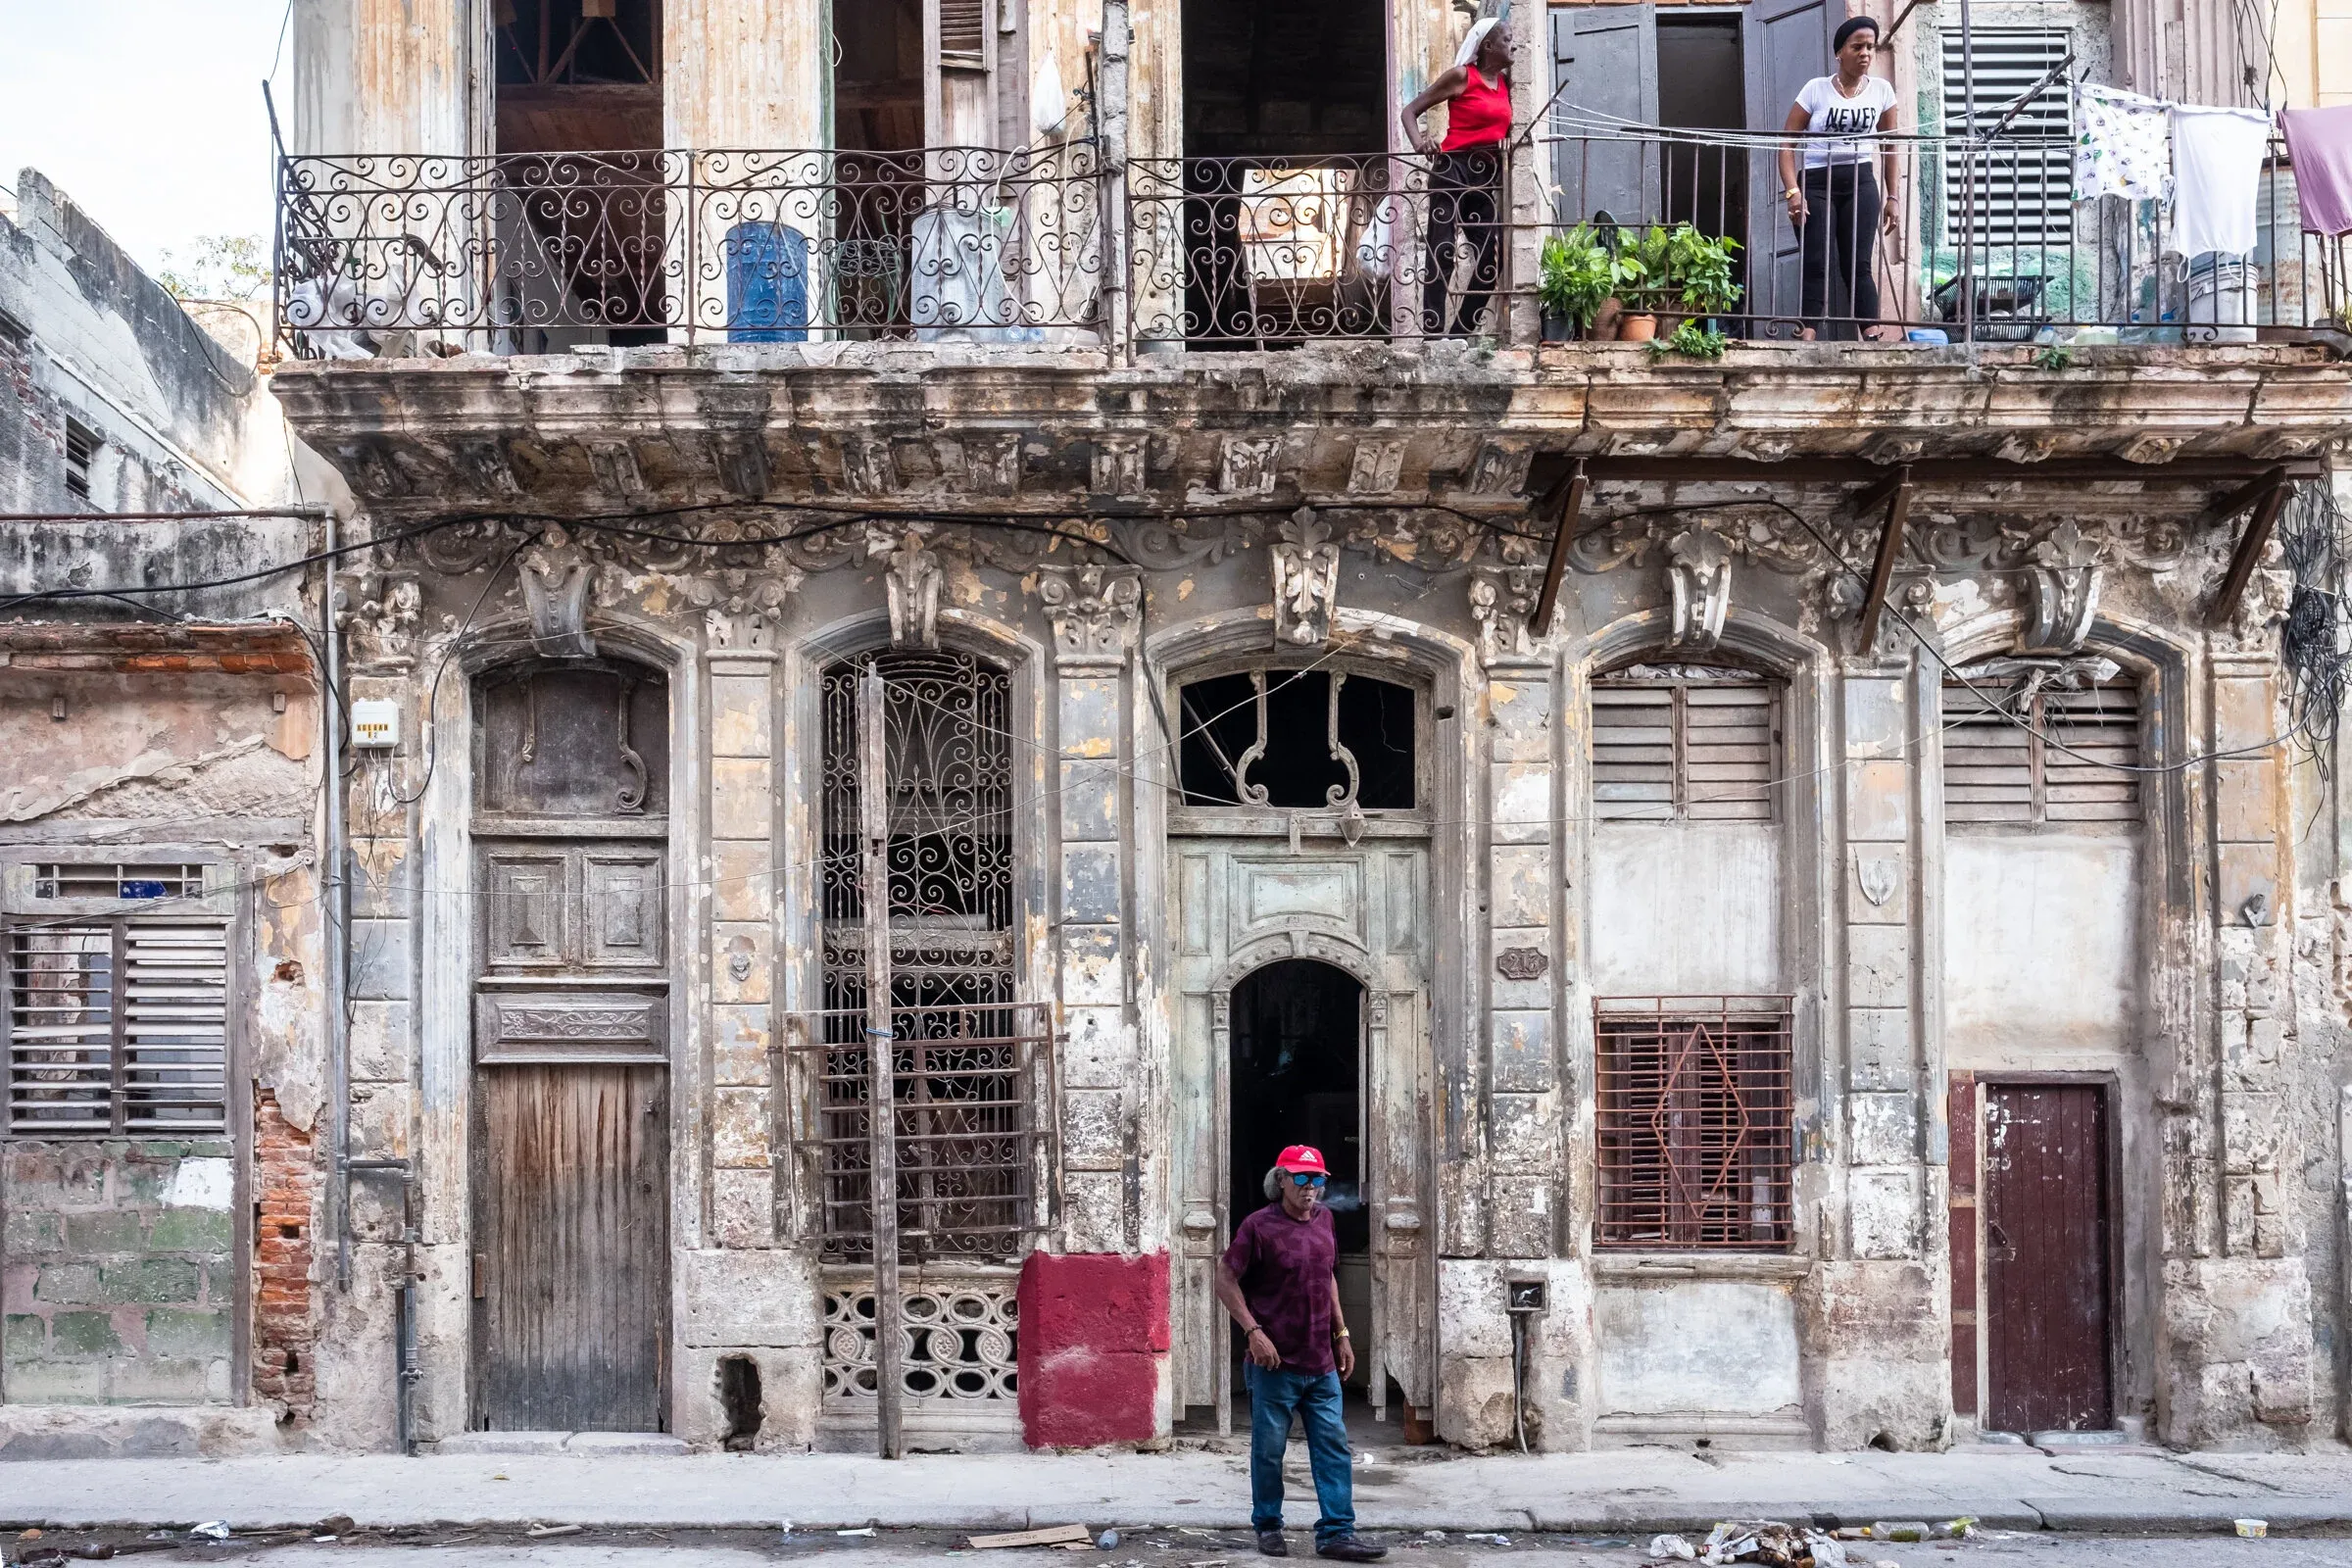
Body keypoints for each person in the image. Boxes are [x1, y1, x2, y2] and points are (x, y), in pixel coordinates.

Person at [1215, 1145, 1387, 1563]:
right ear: (1281, 1181)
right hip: (1274, 1364)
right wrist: (1253, 1331)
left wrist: (1342, 1333)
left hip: (1320, 1362)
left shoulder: (1325, 1220)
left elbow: (1326, 1275)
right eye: (1302, 1179)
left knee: (1332, 1448)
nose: (1311, 1189)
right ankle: (1269, 1526)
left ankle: (1336, 1533)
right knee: (1269, 1451)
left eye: (1318, 1180)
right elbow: (1224, 1278)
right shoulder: (1259, 1226)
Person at [1775, 17, 1902, 339]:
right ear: (1839, 53)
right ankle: (1808, 333)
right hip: (1816, 182)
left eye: (1870, 47)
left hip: (1860, 181)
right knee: (1816, 259)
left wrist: (1893, 197)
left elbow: (1890, 146)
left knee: (1858, 262)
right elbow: (1786, 143)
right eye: (1857, 46)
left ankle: (1871, 331)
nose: (1865, 53)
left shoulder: (1882, 91)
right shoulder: (1815, 89)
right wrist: (1793, 192)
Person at [1401, 18, 1513, 337]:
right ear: (1488, 46)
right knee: (1443, 250)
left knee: (1495, 256)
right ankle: (1434, 336)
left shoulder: (1506, 84)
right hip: (1452, 168)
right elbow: (1409, 111)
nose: (1514, 44)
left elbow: (1501, 125)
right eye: (1507, 39)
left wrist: (1503, 141)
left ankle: (1459, 333)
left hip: (1484, 175)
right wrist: (1421, 143)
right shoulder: (1463, 76)